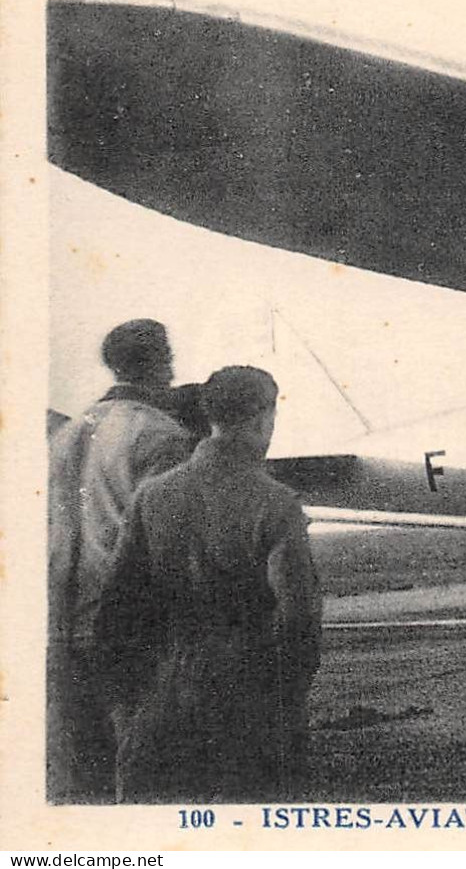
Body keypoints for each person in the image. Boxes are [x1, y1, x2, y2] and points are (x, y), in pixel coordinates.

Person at [96, 366, 322, 802]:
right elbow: (300, 624)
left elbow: (116, 613)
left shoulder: (152, 497)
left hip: (163, 708)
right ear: (263, 418)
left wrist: (130, 711)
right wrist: (285, 707)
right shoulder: (275, 504)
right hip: (252, 715)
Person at [47, 318, 194, 802]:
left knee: (80, 774)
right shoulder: (160, 435)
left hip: (63, 617)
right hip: (131, 620)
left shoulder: (66, 434)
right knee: (146, 770)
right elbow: (167, 540)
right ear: (163, 363)